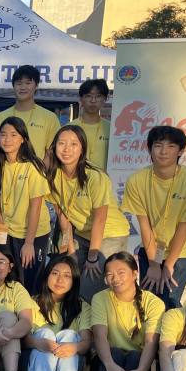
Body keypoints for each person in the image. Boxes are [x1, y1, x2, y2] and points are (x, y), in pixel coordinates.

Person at [122, 125, 186, 310]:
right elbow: (144, 224)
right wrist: (154, 264)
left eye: (171, 146)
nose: (163, 152)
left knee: (170, 297)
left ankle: (172, 329)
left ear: (180, 151)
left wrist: (168, 265)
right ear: (149, 149)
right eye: (158, 145)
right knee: (149, 297)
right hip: (152, 244)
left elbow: (185, 226)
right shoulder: (137, 180)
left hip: (184, 246)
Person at [47, 124, 129, 301]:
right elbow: (63, 217)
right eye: (61, 143)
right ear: (54, 147)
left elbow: (100, 219)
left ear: (82, 148)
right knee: (71, 275)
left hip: (109, 234)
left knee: (89, 286)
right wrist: (71, 252)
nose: (67, 149)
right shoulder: (53, 176)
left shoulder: (94, 177)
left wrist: (93, 256)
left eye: (73, 144)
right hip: (82, 234)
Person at [91, 252, 165, 371]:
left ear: (135, 273)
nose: (115, 278)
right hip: (107, 361)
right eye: (109, 274)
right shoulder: (100, 298)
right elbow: (100, 336)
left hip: (139, 364)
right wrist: (109, 364)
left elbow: (151, 343)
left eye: (121, 272)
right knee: (115, 352)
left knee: (135, 356)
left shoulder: (153, 303)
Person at [0, 117, 50, 294]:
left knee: (30, 282)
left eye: (13, 135)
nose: (7, 139)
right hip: (8, 233)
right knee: (10, 279)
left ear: (23, 139)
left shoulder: (33, 167)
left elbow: (36, 208)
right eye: (3, 134)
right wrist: (0, 243)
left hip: (34, 234)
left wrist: (29, 243)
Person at [24, 255, 92, 371]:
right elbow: (23, 339)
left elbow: (86, 343)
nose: (60, 280)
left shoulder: (82, 306)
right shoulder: (32, 302)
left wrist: (74, 347)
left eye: (67, 276)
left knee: (69, 336)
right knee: (45, 333)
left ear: (74, 281)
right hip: (36, 363)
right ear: (47, 275)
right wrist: (39, 343)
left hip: (69, 365)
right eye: (55, 273)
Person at [0, 65, 61, 160]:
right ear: (13, 86)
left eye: (28, 83)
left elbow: (51, 152)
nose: (23, 87)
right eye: (19, 83)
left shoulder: (50, 118)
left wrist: (38, 169)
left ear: (36, 86)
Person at [73, 79, 111, 171]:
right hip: (76, 178)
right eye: (88, 96)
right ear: (81, 99)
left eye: (98, 96)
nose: (93, 100)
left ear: (105, 99)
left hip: (104, 179)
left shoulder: (112, 129)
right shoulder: (69, 128)